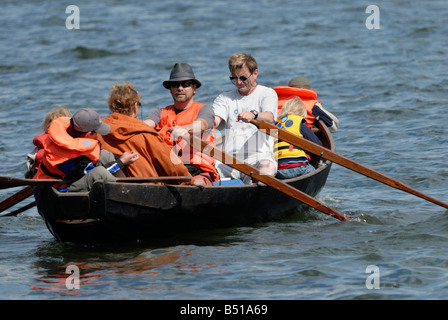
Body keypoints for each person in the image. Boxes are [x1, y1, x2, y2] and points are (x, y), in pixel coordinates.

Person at [97, 81, 193, 182]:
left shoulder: (98, 130)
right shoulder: (145, 133)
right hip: (145, 187)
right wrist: (191, 181)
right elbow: (173, 168)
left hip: (109, 184)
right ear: (135, 107)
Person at [144, 63, 219, 186]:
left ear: (194, 89)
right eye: (175, 85)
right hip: (167, 170)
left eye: (185, 84)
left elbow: (203, 124)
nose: (180, 88)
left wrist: (185, 129)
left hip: (198, 171)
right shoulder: (159, 113)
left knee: (198, 183)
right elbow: (146, 125)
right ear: (170, 89)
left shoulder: (204, 110)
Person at [33, 108, 138, 192]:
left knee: (105, 155)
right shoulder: (72, 157)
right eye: (96, 132)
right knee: (100, 173)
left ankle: (128, 190)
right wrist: (121, 162)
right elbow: (93, 173)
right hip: (59, 188)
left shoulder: (71, 136)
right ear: (88, 134)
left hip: (73, 177)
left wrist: (120, 158)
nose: (98, 135)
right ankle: (124, 196)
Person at [212, 53, 278, 184]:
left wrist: (254, 115)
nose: (238, 82)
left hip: (258, 158)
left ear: (255, 73)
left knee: (267, 168)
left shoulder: (267, 93)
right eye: (234, 78)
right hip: (228, 160)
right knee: (205, 170)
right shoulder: (225, 98)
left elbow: (269, 117)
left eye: (243, 78)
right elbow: (215, 120)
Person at [275, 98, 323, 179]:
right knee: (314, 170)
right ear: (302, 113)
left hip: (279, 171)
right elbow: (318, 146)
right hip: (301, 169)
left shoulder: (276, 126)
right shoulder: (300, 125)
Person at [273, 76, 339, 133]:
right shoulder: (313, 105)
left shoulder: (276, 101)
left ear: (289, 88)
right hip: (301, 134)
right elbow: (333, 126)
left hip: (275, 133)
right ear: (311, 90)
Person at [25, 105, 72, 178]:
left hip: (42, 182)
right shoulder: (73, 143)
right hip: (65, 181)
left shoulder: (38, 148)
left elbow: (30, 171)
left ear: (46, 126)